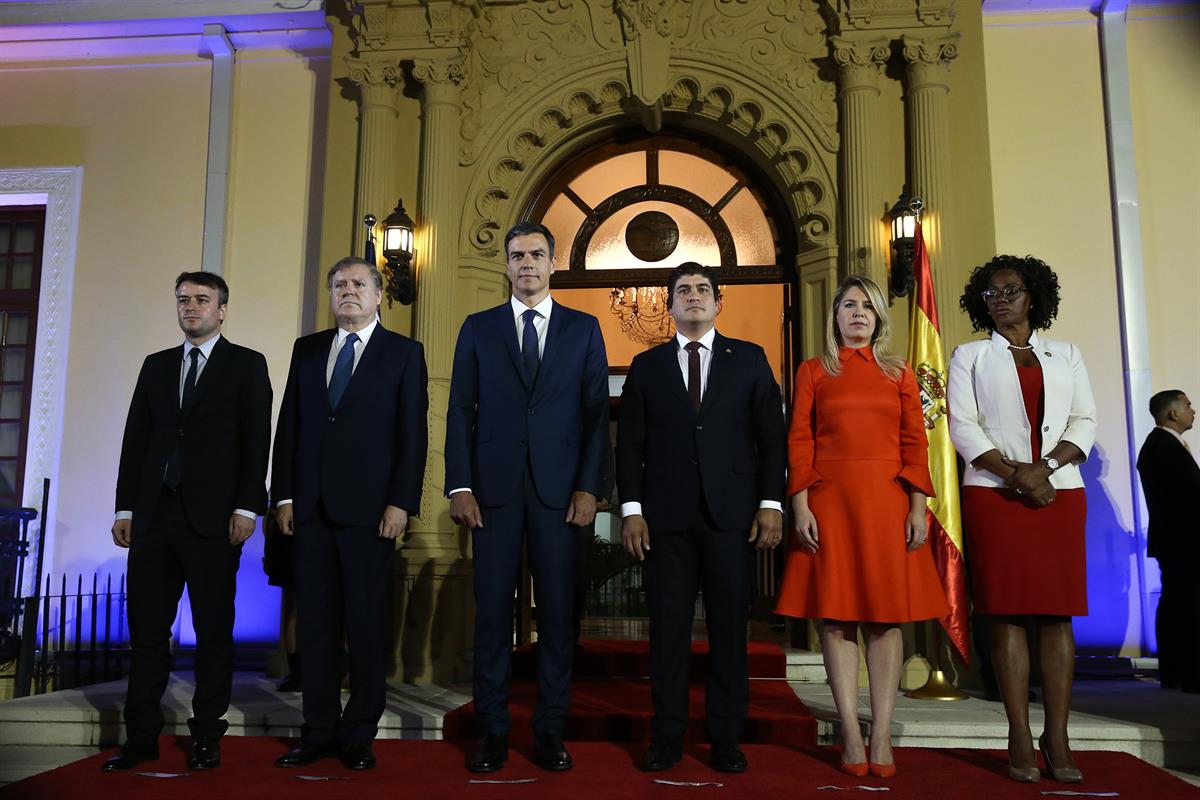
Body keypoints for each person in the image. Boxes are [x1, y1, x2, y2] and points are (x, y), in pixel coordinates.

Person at [446, 221, 609, 773]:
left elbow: (594, 417)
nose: (527, 265)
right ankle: (492, 732)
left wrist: (590, 486)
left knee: (559, 617)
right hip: (490, 493)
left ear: (553, 262)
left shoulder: (584, 329)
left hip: (561, 493)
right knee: (492, 614)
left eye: (536, 255)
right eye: (517, 256)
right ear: (506, 264)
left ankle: (548, 731)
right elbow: (460, 409)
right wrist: (460, 484)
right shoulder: (478, 327)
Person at [775, 274, 948, 779]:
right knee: (835, 616)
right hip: (829, 502)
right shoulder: (814, 370)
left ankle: (881, 732)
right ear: (835, 315)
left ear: (878, 318)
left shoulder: (899, 372)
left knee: (885, 617)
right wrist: (800, 506)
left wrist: (917, 508)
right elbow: (799, 442)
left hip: (888, 502)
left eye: (866, 307)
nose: (857, 314)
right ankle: (850, 731)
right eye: (848, 305)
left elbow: (916, 443)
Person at [616, 263, 785, 774]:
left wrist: (770, 504)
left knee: (730, 630)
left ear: (718, 303)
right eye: (683, 290)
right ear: (669, 306)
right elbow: (629, 446)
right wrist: (631, 510)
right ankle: (668, 733)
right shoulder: (646, 367)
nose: (693, 296)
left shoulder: (750, 360)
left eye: (702, 290)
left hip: (731, 517)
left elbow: (772, 439)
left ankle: (725, 735)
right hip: (664, 520)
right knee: (668, 631)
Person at [105, 272, 272, 773]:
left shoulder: (247, 365)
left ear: (222, 310)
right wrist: (125, 508)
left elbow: (255, 440)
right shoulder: (155, 366)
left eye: (202, 300)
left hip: (214, 521)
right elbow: (135, 440)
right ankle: (140, 739)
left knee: (214, 633)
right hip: (154, 518)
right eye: (183, 300)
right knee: (148, 635)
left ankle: (206, 736)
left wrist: (247, 508)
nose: (191, 307)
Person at [271, 257, 428, 770]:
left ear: (379, 295)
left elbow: (412, 437)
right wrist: (285, 496)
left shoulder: (404, 353)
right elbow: (289, 427)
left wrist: (401, 501)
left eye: (359, 284)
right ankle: (317, 731)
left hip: (370, 512)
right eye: (339, 284)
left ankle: (359, 732)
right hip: (311, 510)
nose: (348, 291)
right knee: (314, 626)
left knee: (364, 626)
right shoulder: (308, 349)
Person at [948, 255, 1096, 784]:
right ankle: (1016, 731)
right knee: (1005, 612)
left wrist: (1047, 468)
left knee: (1057, 615)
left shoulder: (1067, 355)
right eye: (991, 293)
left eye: (1011, 290)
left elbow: (1085, 420)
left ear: (1033, 296)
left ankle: (1057, 735)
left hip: (1059, 493)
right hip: (995, 495)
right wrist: (1017, 476)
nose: (1001, 298)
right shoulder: (969, 355)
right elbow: (964, 427)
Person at [1136, 390, 1199, 693]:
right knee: (1184, 605)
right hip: (1182, 539)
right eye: (1187, 405)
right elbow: (1186, 496)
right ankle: (1186, 672)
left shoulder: (1162, 444)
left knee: (1178, 603)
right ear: (1173, 413)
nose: (1192, 410)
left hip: (1178, 538)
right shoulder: (1163, 445)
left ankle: (1177, 671)